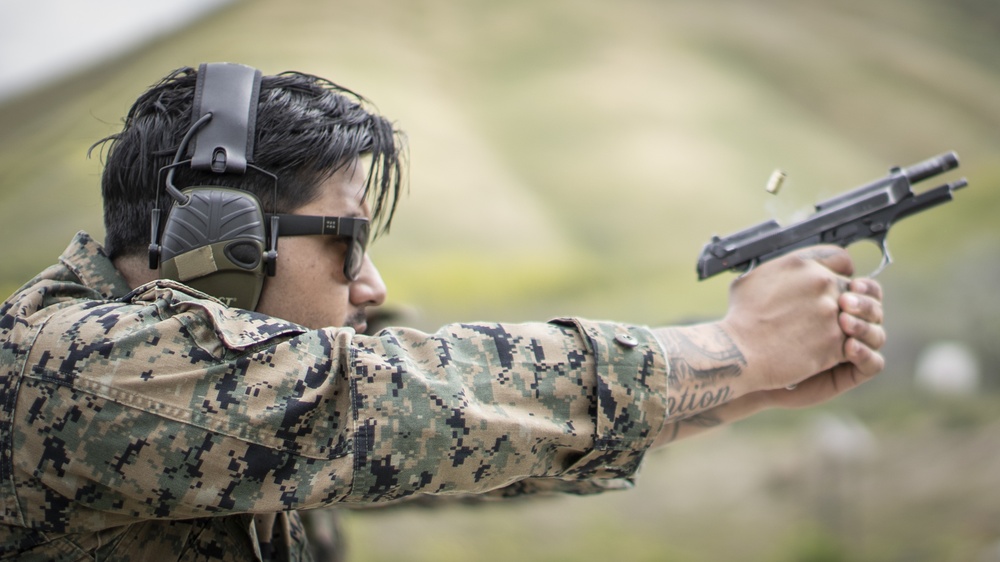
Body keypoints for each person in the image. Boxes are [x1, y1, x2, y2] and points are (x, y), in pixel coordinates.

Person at [0, 64, 886, 561]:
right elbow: (410, 398)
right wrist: (737, 345)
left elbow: (469, 444)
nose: (372, 286)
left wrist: (749, 384)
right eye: (347, 241)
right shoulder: (67, 366)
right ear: (223, 245)